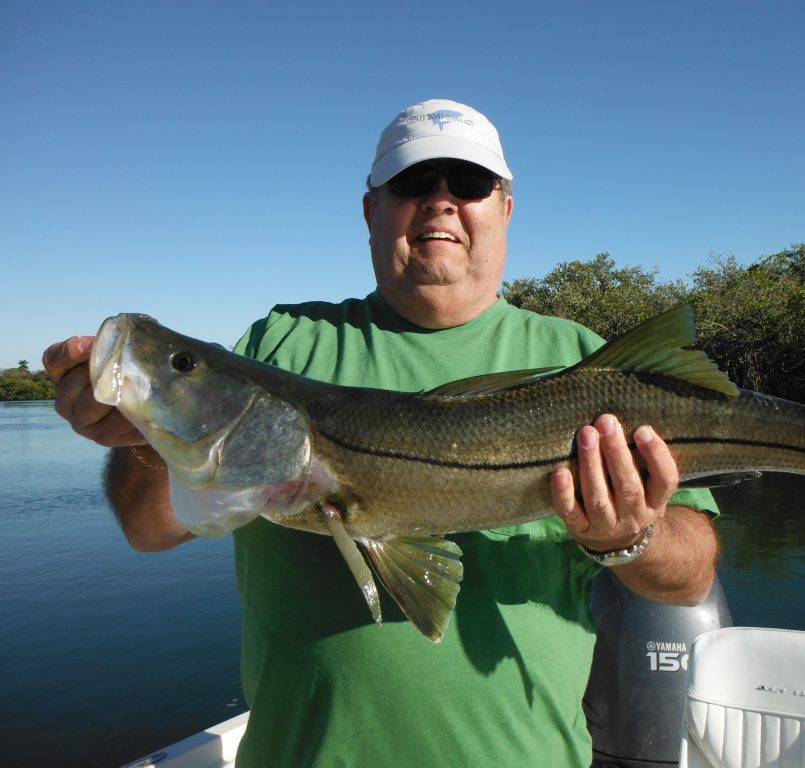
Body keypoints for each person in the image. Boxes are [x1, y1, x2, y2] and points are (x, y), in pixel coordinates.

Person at [44, 99, 720, 767]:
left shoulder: (591, 364)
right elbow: (148, 529)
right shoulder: (280, 345)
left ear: (504, 210)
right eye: (413, 184)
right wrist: (143, 434)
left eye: (471, 184)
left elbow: (693, 579)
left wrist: (632, 537)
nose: (442, 202)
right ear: (371, 209)